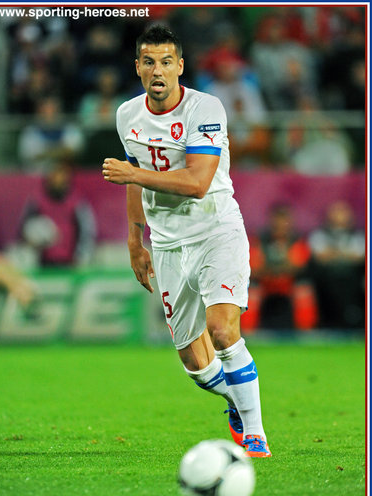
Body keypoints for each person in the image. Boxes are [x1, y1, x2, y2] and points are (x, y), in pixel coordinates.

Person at [101, 25, 271, 457]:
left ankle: (255, 436)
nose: (157, 70)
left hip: (217, 230)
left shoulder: (206, 107)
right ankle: (236, 400)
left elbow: (197, 182)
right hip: (168, 244)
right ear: (138, 68)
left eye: (165, 61)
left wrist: (132, 173)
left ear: (180, 66)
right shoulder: (127, 115)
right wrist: (135, 240)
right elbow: (135, 179)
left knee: (222, 330)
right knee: (194, 364)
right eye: (148, 61)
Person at [21, 160, 97, 266]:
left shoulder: (77, 203)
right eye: (54, 175)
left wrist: (82, 257)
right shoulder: (36, 201)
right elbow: (24, 229)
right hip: (43, 264)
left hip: (70, 263)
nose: (57, 179)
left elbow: (87, 231)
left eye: (61, 175)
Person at [308, 201, 365, 329]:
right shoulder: (319, 235)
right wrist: (345, 254)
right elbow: (321, 257)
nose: (339, 216)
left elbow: (359, 257)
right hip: (326, 282)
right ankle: (326, 322)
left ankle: (354, 320)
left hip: (352, 280)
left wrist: (335, 254)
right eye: (336, 212)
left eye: (343, 212)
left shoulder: (358, 236)